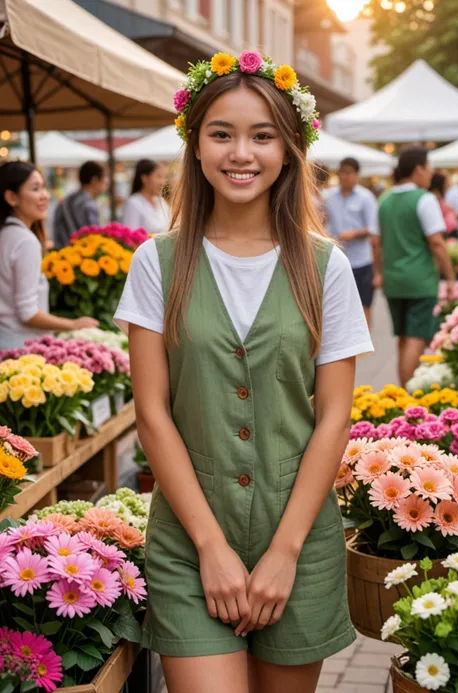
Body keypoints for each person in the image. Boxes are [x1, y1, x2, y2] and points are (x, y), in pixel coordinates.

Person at [114, 51, 373, 693]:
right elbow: (152, 412)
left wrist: (285, 552)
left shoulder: (326, 267)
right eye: (221, 133)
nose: (242, 152)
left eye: (262, 136)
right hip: (189, 534)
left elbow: (334, 415)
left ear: (289, 149)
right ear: (195, 146)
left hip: (299, 536)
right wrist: (211, 547)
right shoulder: (157, 263)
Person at [376, 147, 455, 388]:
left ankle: (403, 390)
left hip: (393, 280)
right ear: (419, 169)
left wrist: (380, 272)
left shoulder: (385, 199)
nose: (431, 173)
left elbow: (376, 242)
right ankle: (409, 393)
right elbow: (437, 242)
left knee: (403, 337)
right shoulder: (425, 198)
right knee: (416, 337)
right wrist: (450, 277)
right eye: (429, 168)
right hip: (419, 280)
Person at [0, 162, 98, 349]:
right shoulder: (25, 241)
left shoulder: (6, 234)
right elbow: (27, 313)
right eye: (35, 189)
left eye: (43, 187)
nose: (45, 195)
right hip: (21, 350)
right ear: (12, 197)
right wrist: (73, 325)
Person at [323, 157, 380, 327]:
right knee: (337, 308)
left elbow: (373, 229)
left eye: (349, 173)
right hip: (337, 260)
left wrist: (354, 234)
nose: (345, 177)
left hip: (361, 261)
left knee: (364, 307)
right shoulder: (329, 196)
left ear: (356, 175)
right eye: (343, 173)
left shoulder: (366, 197)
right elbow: (324, 221)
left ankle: (365, 350)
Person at [53, 160, 108, 249]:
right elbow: (95, 238)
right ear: (94, 180)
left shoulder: (65, 201)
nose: (106, 182)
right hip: (85, 258)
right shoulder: (89, 204)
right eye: (104, 178)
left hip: (63, 257)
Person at [121, 159, 171, 234]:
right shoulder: (134, 203)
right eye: (158, 177)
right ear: (145, 178)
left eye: (164, 177)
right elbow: (130, 236)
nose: (162, 182)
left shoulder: (161, 202)